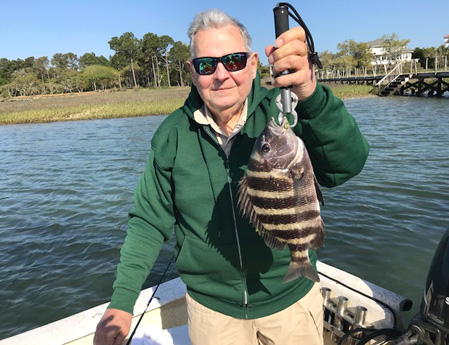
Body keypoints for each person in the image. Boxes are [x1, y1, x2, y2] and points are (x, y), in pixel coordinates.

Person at [94, 8, 369, 345]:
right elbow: (149, 222)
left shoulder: (283, 113)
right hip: (212, 311)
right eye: (207, 65)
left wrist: (310, 94)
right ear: (192, 72)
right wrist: (121, 304)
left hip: (291, 300)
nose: (221, 75)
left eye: (234, 61)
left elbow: (347, 164)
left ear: (254, 63)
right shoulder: (173, 135)